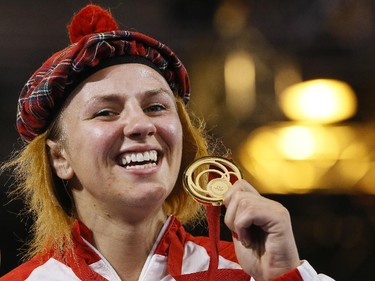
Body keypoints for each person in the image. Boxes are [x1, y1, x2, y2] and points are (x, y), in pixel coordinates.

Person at [0, 4, 333, 281]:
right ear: (60, 158)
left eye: (156, 107)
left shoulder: (247, 272)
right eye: (105, 112)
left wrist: (282, 275)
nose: (141, 124)